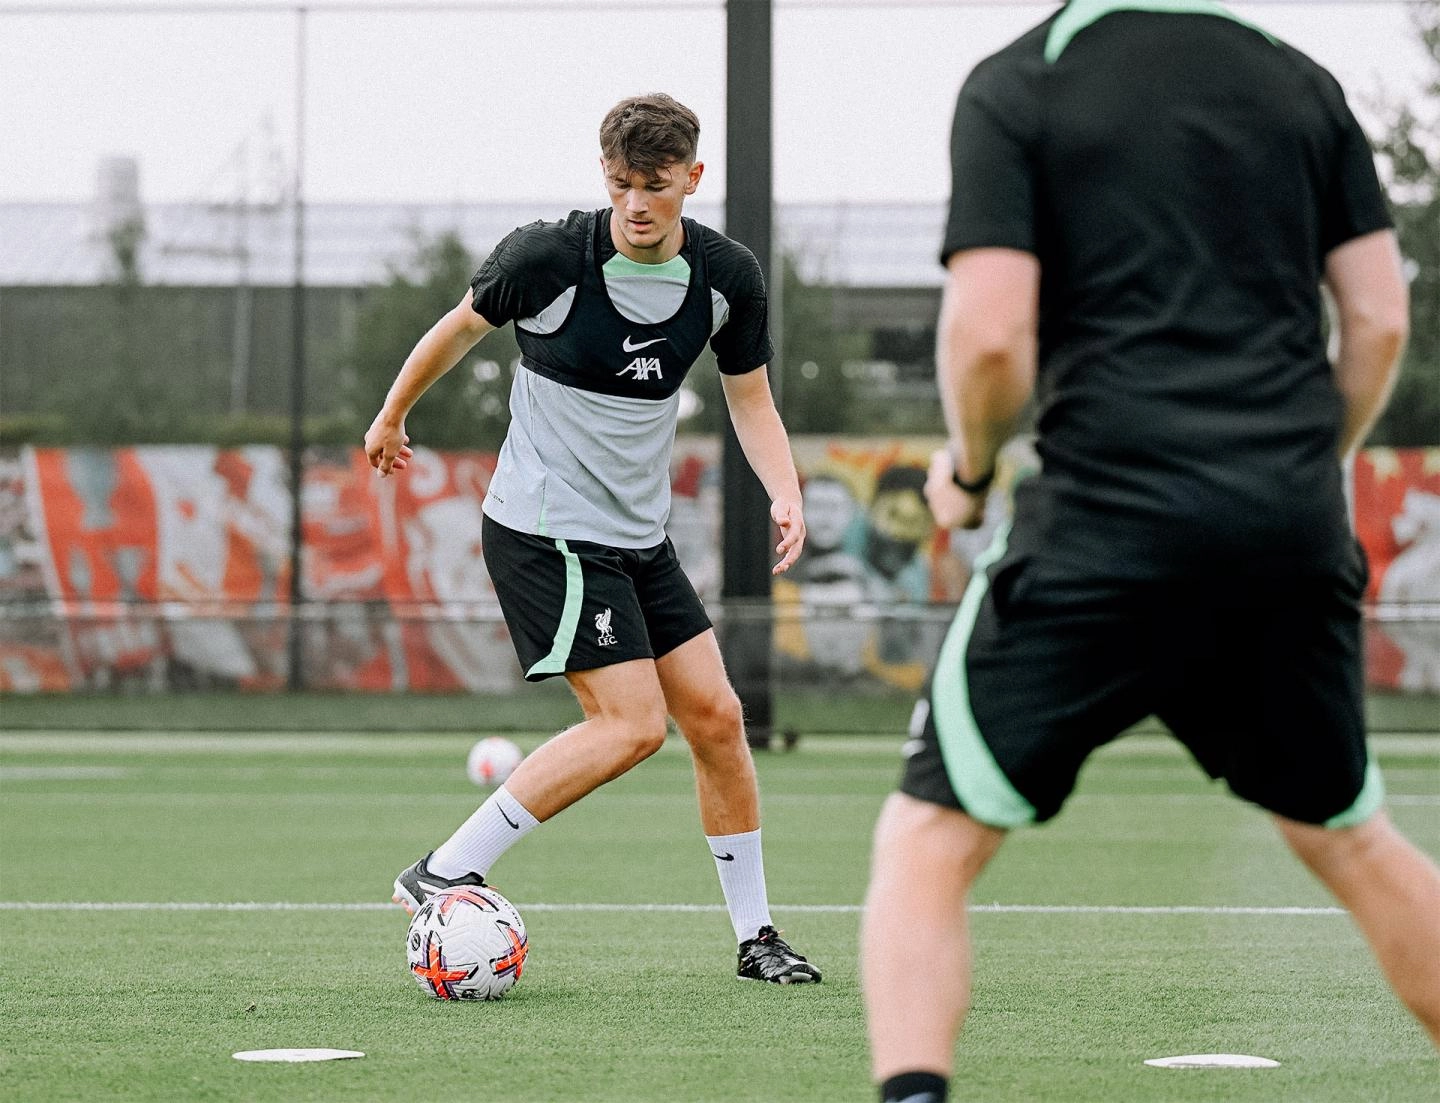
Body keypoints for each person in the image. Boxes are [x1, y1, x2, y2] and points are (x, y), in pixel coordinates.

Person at [861, 3, 1440, 1099]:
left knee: (930, 839)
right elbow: (1378, 323)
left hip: (1104, 526)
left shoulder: (1019, 80)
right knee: (1353, 840)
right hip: (1284, 528)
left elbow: (989, 336)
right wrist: (1306, 464)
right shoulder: (1302, 80)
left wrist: (972, 472)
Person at [364, 93, 820, 985]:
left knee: (720, 722)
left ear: (693, 178)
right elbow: (456, 330)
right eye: (620, 186)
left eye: (654, 187)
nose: (636, 205)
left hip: (635, 540)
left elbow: (751, 396)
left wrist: (787, 491)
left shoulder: (728, 279)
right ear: (603, 176)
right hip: (545, 530)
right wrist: (391, 416)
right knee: (631, 726)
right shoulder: (546, 258)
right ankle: (443, 870)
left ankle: (757, 935)